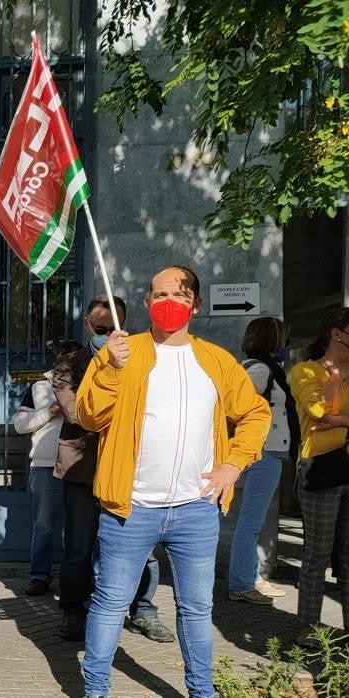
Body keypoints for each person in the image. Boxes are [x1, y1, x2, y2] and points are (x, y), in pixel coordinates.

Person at [76, 267, 270, 698]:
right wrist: (111, 367)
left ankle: (203, 691)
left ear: (196, 305)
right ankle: (96, 692)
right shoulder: (122, 352)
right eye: (159, 294)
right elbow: (88, 414)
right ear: (147, 302)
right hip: (130, 508)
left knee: (197, 609)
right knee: (109, 605)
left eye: (179, 295)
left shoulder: (217, 361)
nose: (168, 302)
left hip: (195, 510)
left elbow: (256, 414)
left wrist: (234, 465)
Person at [52, 296, 173, 643]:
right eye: (100, 328)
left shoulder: (144, 356)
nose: (106, 334)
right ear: (89, 325)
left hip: (131, 468)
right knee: (78, 546)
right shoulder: (70, 363)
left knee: (143, 547)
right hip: (82, 469)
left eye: (113, 327)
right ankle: (74, 609)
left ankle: (144, 609)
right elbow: (77, 413)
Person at [228, 317, 298, 605]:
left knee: (254, 522)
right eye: (283, 339)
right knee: (251, 523)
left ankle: (251, 578)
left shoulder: (262, 368)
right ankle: (241, 584)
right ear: (272, 341)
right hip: (263, 452)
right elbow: (235, 407)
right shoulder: (259, 370)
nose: (285, 346)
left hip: (268, 451)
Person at [290, 307, 349, 646]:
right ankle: (308, 627)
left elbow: (328, 418)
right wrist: (335, 379)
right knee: (317, 553)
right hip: (321, 470)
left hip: (348, 470)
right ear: (336, 334)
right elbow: (315, 411)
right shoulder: (306, 371)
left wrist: (339, 422)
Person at [12, 370, 63, 597]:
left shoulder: (90, 380)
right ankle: (39, 576)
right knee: (43, 526)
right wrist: (51, 410)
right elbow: (20, 424)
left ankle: (80, 579)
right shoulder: (38, 388)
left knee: (82, 528)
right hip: (44, 466)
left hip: (82, 467)